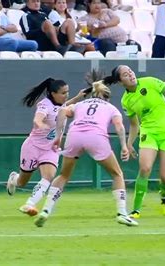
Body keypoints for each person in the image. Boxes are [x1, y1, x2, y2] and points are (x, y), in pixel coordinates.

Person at [34, 79, 138, 227]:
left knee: (63, 175)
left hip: (74, 135)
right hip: (96, 137)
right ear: (107, 97)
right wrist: (124, 146)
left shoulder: (79, 104)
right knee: (117, 174)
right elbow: (119, 126)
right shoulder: (111, 108)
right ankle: (122, 213)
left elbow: (63, 111)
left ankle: (46, 210)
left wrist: (58, 136)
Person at [101, 65, 165, 218]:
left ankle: (164, 198)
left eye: (130, 71)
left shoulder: (150, 82)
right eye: (125, 74)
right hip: (149, 133)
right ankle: (136, 210)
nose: (130, 74)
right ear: (120, 82)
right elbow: (134, 124)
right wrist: (129, 144)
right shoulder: (126, 100)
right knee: (144, 168)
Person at [6, 78, 86, 216]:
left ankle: (29, 204)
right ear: (53, 93)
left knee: (48, 177)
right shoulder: (44, 104)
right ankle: (14, 179)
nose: (66, 95)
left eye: (68, 92)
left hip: (51, 148)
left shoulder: (62, 105)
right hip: (33, 147)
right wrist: (41, 125)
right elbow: (37, 119)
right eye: (63, 93)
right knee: (22, 182)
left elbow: (65, 105)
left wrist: (78, 97)